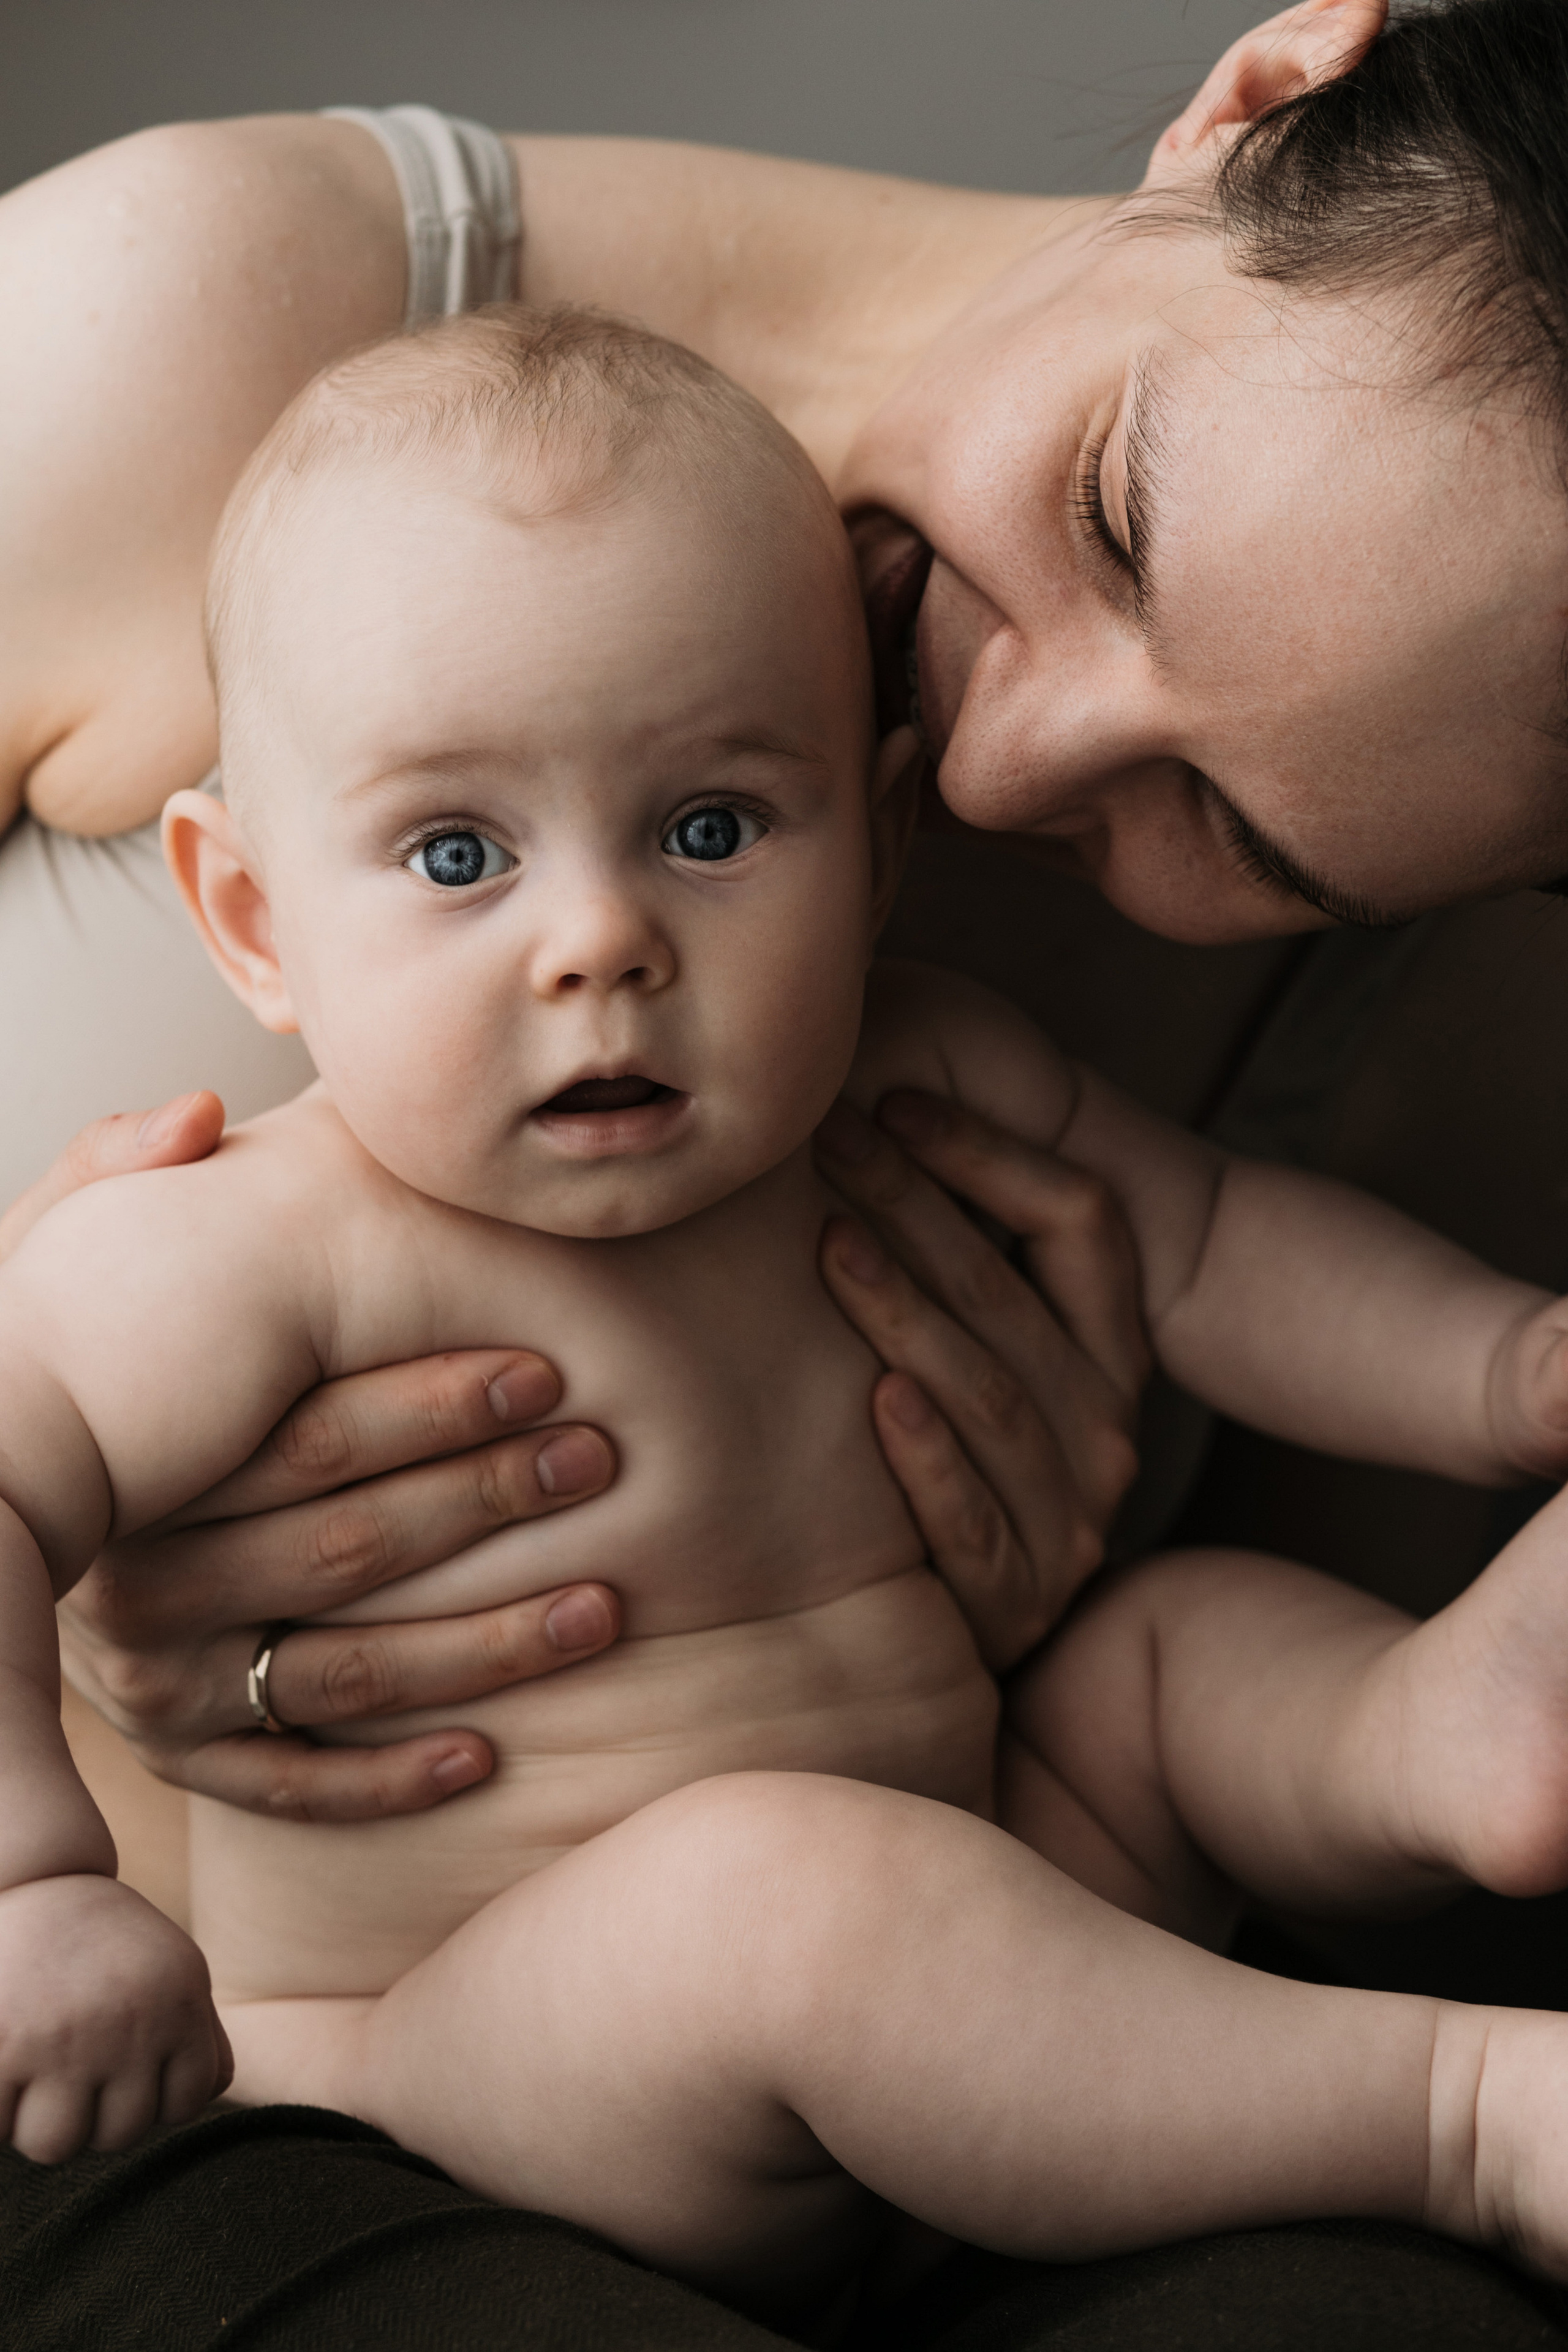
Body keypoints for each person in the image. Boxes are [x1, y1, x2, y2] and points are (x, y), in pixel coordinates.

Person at [5, 1, 1568, 2342]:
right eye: (1117, 512)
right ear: (1261, 93)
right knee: (786, 1907)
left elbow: (1223, 1249)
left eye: (1249, 836)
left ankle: (1441, 1737)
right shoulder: (249, 1240)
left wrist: (1518, 1375)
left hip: (998, 1914)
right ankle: (1466, 2108)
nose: (1009, 764)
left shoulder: (900, 1060)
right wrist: (39, 1848)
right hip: (425, 2071)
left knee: (1165, 1666)